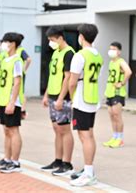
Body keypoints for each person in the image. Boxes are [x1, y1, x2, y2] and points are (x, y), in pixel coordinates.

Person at [68, 24, 103, 187]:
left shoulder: (80, 55)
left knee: (84, 136)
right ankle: (88, 170)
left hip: (82, 99)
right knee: (89, 134)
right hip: (93, 96)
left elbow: (72, 82)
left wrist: (70, 97)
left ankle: (88, 173)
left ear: (81, 36)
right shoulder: (97, 55)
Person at [41, 26, 75, 176]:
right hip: (53, 96)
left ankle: (67, 163)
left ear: (60, 38)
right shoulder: (56, 52)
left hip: (64, 98)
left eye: (52, 40)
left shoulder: (69, 53)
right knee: (57, 129)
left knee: (64, 129)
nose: (51, 43)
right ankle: (58, 160)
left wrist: (61, 98)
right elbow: (53, 76)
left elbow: (67, 77)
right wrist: (47, 95)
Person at [0, 32, 25, 173]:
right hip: (3, 99)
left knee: (13, 130)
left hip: (12, 101)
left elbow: (17, 83)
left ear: (13, 43)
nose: (3, 44)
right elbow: (3, 83)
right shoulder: (5, 60)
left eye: (6, 42)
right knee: (6, 131)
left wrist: (12, 102)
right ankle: (7, 159)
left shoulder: (17, 60)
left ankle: (15, 162)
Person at [103, 42, 132, 148]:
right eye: (110, 49)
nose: (111, 51)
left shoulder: (121, 61)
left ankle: (120, 138)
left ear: (119, 51)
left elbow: (128, 72)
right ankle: (114, 137)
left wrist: (122, 83)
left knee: (117, 115)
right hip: (110, 91)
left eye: (114, 49)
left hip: (118, 93)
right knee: (111, 115)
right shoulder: (111, 62)